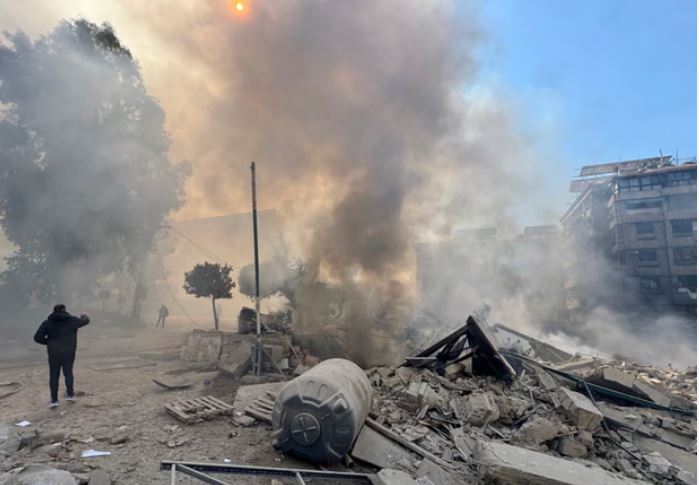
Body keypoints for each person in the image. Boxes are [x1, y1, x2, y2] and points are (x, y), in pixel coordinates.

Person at [33, 304, 90, 408]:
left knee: (54, 375)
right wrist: (83, 315)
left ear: (54, 311)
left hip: (54, 352)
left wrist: (49, 342)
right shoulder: (72, 320)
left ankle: (54, 400)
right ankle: (70, 395)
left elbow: (37, 337)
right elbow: (86, 321)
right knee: (68, 372)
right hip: (69, 351)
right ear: (64, 310)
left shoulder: (47, 323)